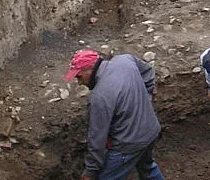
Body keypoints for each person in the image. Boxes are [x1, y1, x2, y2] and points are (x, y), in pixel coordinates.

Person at [63, 49, 166, 180]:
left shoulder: (99, 97)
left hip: (128, 145)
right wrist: (146, 99)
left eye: (79, 76)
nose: (79, 82)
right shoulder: (125, 60)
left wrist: (91, 171)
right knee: (147, 168)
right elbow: (148, 73)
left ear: (89, 69)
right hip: (151, 131)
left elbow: (97, 138)